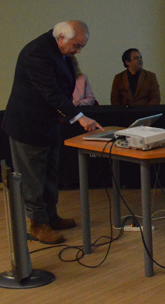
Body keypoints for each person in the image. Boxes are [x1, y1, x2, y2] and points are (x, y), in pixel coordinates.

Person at [1, 20, 103, 244]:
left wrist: (66, 114)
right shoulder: (36, 53)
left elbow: (64, 87)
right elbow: (50, 92)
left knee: (50, 174)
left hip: (49, 124)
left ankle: (51, 216)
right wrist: (80, 117)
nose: (78, 51)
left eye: (82, 46)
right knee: (33, 179)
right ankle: (38, 225)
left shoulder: (59, 50)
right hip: (27, 126)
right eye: (77, 46)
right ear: (62, 38)